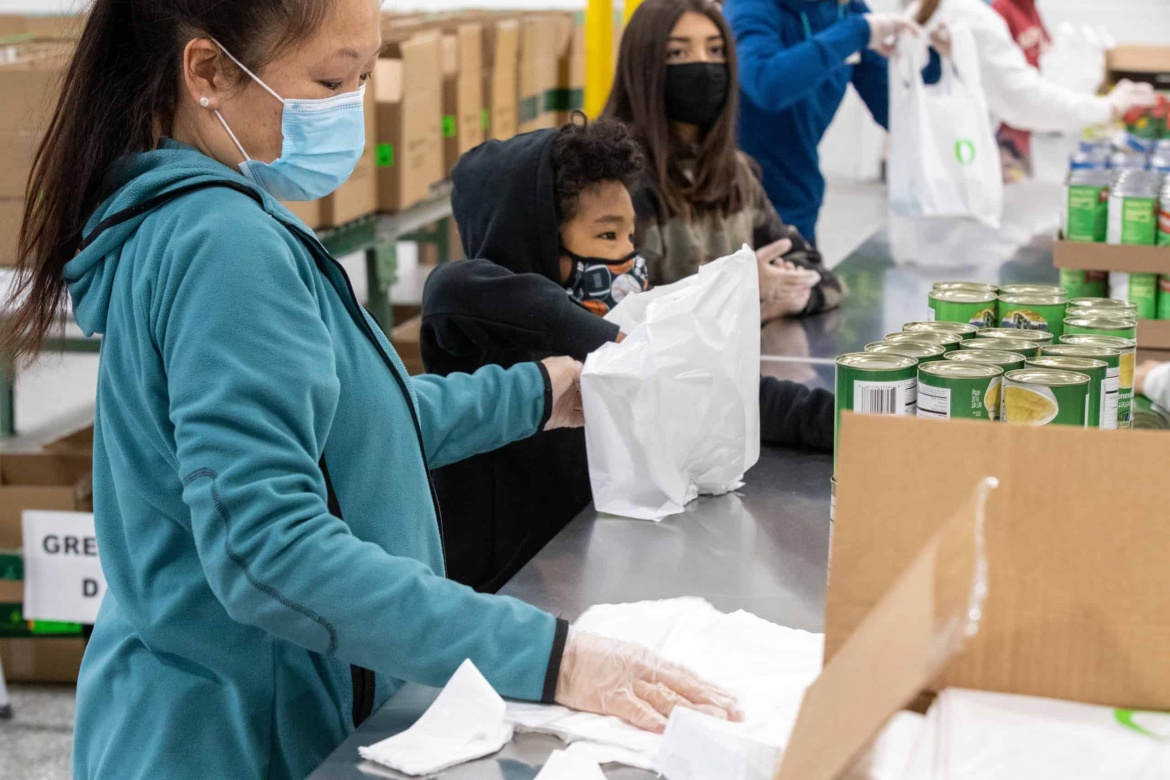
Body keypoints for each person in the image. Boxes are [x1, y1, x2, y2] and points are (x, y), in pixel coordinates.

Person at [0, 2, 741, 777]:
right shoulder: (223, 245)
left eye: (364, 75)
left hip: (218, 710)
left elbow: (339, 428)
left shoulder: (187, 216)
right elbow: (272, 552)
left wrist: (536, 394)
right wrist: (554, 660)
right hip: (235, 739)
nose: (350, 106)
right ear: (209, 73)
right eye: (330, 80)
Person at [422, 117, 833, 593]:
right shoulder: (475, 314)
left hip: (592, 569)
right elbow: (478, 292)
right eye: (606, 237)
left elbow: (729, 394)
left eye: (631, 239)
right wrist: (621, 343)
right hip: (498, 590)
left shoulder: (623, 326)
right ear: (532, 238)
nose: (627, 259)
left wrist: (849, 417)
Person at [603, 0, 843, 320]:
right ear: (643, 65)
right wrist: (739, 291)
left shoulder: (734, 172)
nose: (702, 66)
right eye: (678, 53)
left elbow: (816, 270)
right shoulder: (612, 179)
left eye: (715, 51)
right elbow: (612, 315)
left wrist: (796, 293)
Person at [724, 0, 932, 244]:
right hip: (733, 208)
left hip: (797, 203)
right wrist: (855, 33)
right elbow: (767, 83)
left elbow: (894, 112)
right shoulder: (750, 7)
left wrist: (931, 59)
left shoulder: (849, 11)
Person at [911, 0, 1155, 176]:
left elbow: (1036, 73)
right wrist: (1108, 106)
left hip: (978, 154)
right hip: (960, 160)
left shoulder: (1024, 5)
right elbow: (1023, 98)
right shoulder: (977, 13)